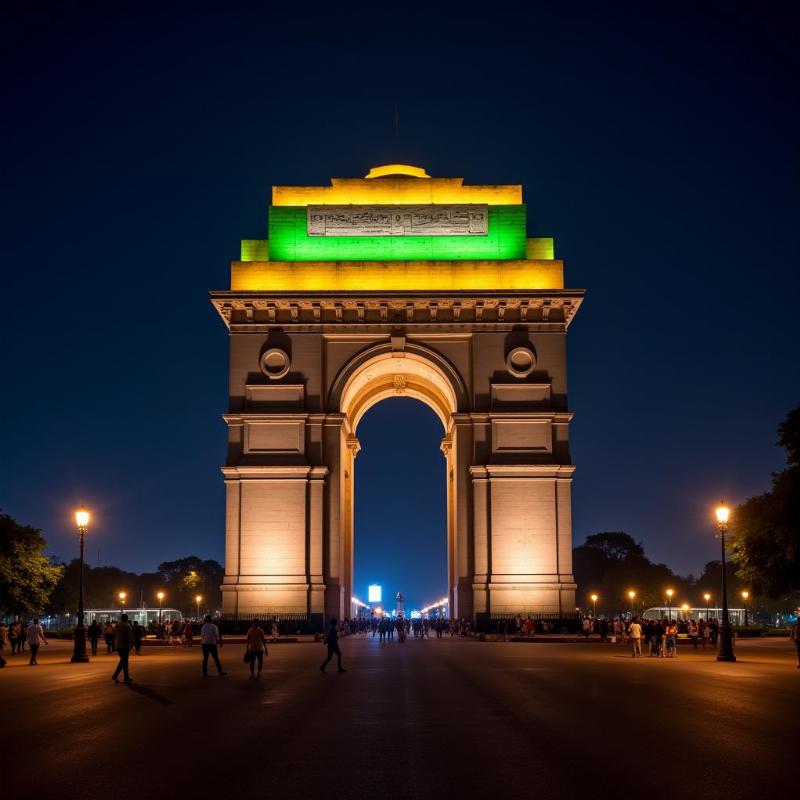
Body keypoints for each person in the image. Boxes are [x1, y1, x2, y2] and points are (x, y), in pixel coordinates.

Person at [112, 613, 133, 683]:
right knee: (124, 661)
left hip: (118, 645)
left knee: (123, 661)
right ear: (126, 618)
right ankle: (117, 676)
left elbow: (113, 634)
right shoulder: (127, 626)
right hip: (125, 645)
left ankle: (125, 677)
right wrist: (130, 644)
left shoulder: (117, 625)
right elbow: (129, 636)